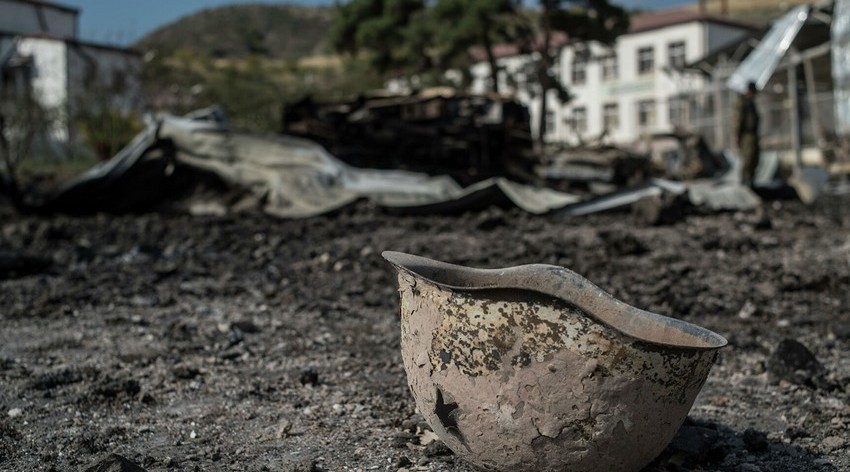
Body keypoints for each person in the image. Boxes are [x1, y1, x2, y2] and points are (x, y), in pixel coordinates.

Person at [735, 81, 761, 187]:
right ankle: (743, 181)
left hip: (753, 134)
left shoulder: (751, 103)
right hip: (746, 135)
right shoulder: (742, 103)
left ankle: (750, 181)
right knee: (747, 159)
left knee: (754, 159)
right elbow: (737, 120)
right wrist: (737, 135)